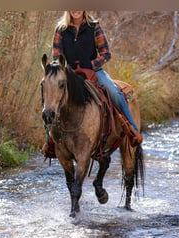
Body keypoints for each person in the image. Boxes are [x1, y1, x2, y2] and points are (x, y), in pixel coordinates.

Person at [52, 11, 142, 147]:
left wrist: (90, 66)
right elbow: (56, 56)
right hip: (68, 74)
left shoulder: (94, 27)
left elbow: (106, 54)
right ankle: (50, 141)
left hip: (94, 72)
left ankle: (132, 129)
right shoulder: (60, 29)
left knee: (114, 91)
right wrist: (66, 70)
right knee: (50, 95)